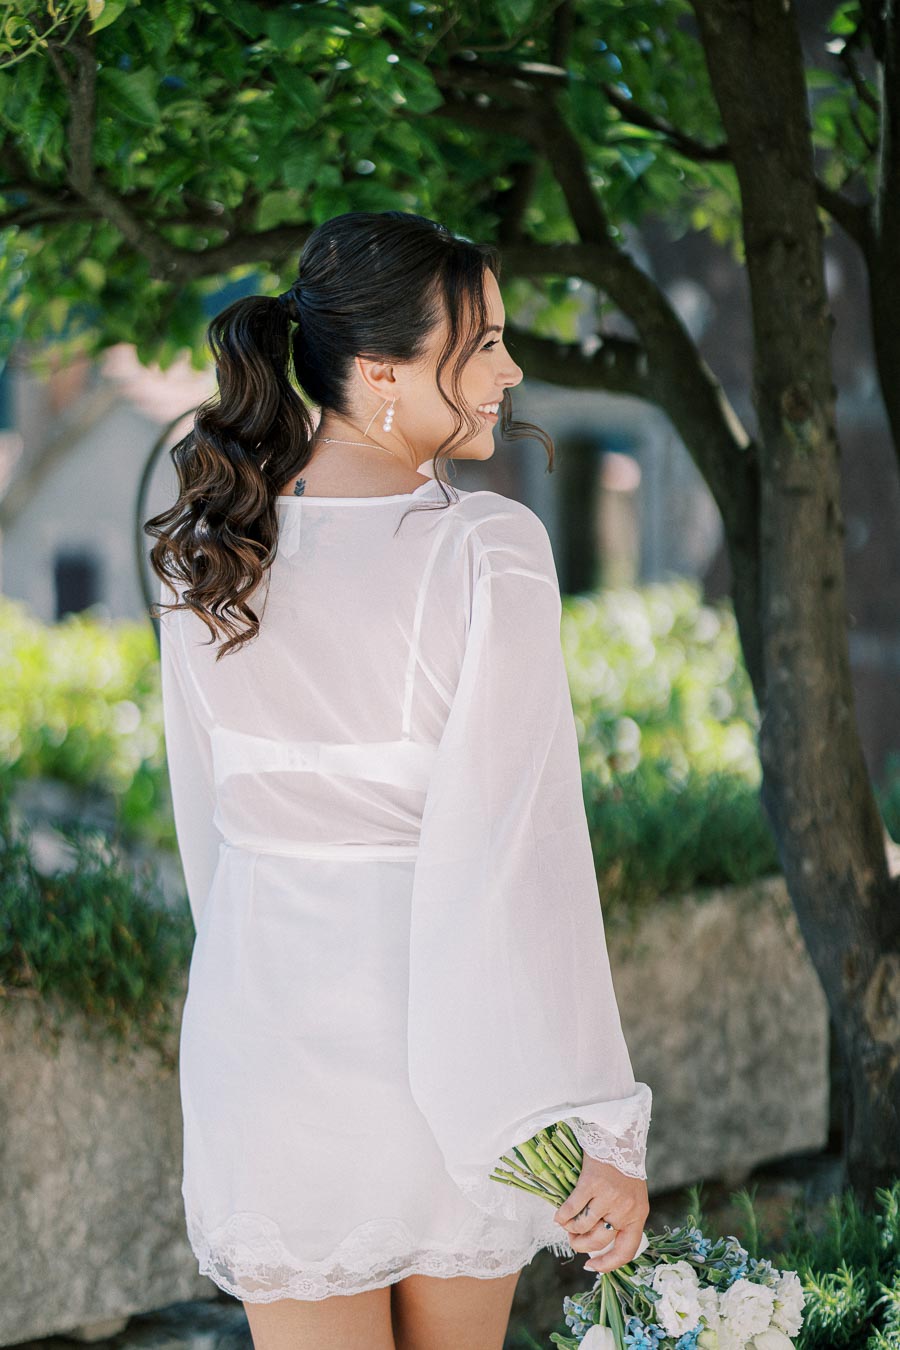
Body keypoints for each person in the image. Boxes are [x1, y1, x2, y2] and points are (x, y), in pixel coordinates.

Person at [145, 210, 652, 1350]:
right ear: (379, 372)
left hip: (264, 1039)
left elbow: (206, 841)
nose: (511, 372)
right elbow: (524, 862)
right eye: (482, 346)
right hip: (444, 1062)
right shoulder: (489, 550)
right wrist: (598, 1126)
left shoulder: (204, 551)